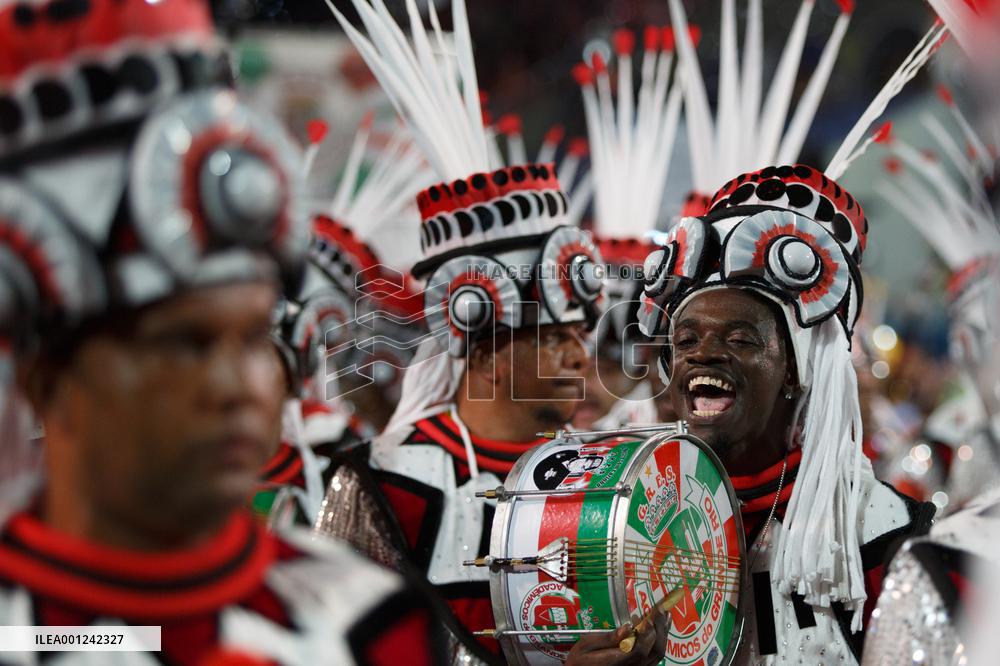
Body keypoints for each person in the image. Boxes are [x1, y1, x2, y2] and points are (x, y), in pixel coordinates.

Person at [0, 1, 443, 663]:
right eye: (184, 344)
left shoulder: (371, 623)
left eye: (251, 341)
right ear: (44, 377)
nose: (241, 387)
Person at [319, 1, 669, 664]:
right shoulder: (384, 484)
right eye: (553, 335)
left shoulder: (609, 477)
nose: (580, 352)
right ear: (482, 346)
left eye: (583, 330)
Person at [638, 160, 936, 663]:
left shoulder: (883, 533)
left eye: (739, 338)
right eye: (685, 340)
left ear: (797, 370)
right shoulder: (624, 521)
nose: (702, 354)